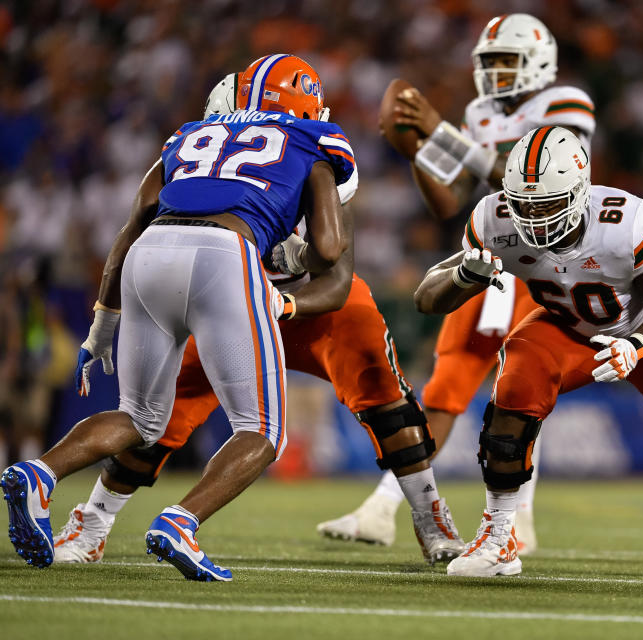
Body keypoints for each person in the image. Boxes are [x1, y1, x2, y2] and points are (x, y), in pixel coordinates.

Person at [49, 75, 464, 567]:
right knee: (164, 416)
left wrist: (285, 303)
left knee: (387, 400)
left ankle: (429, 516)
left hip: (303, 303)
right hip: (227, 300)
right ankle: (92, 522)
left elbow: (336, 277)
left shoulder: (297, 159)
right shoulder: (286, 149)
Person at [2, 54, 355, 581]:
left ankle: (41, 472)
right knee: (262, 429)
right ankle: (181, 522)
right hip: (224, 254)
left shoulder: (190, 134)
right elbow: (328, 249)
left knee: (139, 417)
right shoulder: (314, 139)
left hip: (149, 252)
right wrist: (290, 254)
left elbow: (129, 228)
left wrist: (102, 323)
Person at [414, 125, 643, 577]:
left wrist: (636, 344)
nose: (533, 217)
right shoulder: (495, 220)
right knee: (517, 380)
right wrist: (465, 275)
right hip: (567, 327)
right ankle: (500, 534)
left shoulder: (626, 222)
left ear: (580, 192)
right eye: (523, 204)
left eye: (545, 204)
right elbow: (427, 300)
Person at [317, 13, 597, 555]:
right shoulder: (479, 113)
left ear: (538, 62)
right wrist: (418, 149)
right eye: (488, 62)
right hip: (491, 256)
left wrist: (440, 131)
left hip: (549, 265)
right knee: (447, 387)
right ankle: (382, 507)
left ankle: (519, 519)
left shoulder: (567, 103)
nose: (494, 73)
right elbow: (451, 199)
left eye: (506, 61)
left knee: (520, 391)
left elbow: (524, 175)